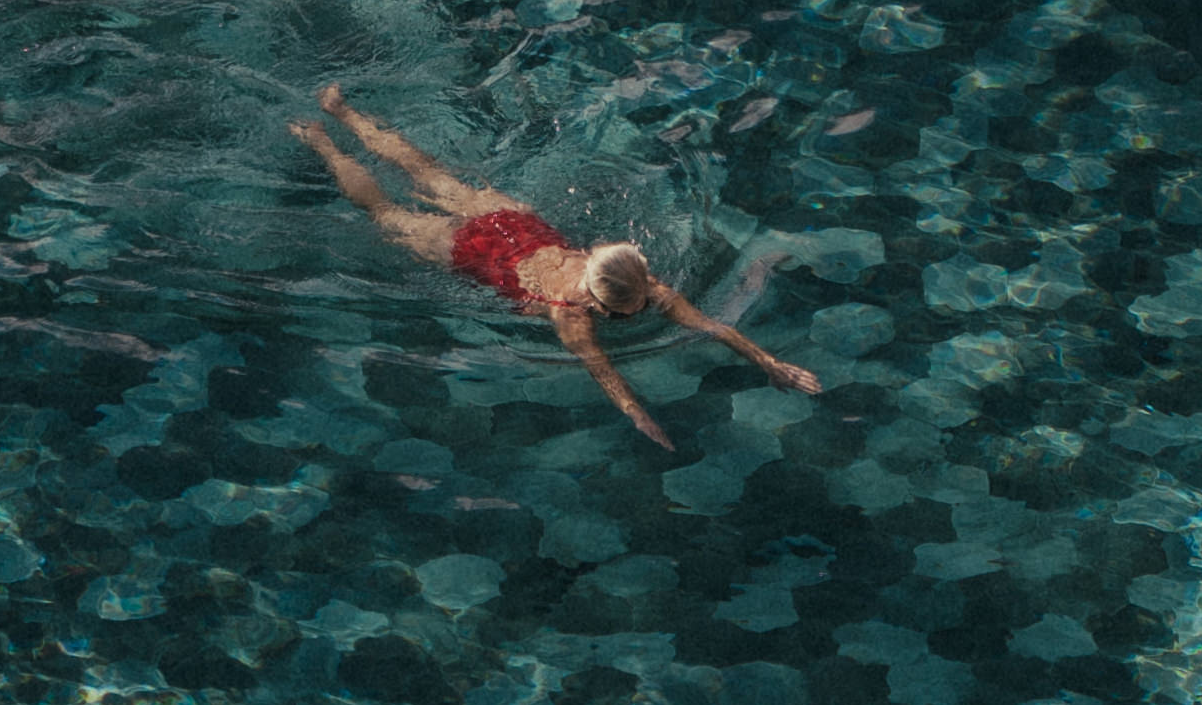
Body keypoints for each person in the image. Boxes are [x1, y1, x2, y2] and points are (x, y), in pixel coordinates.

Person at [297, 87, 822, 452]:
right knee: (385, 212)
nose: (653, 291)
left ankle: (343, 113)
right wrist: (639, 417)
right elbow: (604, 372)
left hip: (511, 226)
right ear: (611, 301)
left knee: (428, 173)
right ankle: (322, 139)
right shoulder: (570, 315)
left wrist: (769, 364)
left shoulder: (631, 283)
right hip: (478, 252)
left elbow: (714, 327)